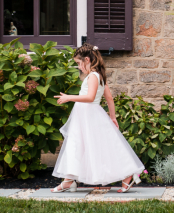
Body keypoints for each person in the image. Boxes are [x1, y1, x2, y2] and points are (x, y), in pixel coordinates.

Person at [52, 43, 145, 193]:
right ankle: (69, 180)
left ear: (87, 60)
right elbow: (109, 98)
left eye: (78, 63)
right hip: (85, 116)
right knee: (78, 145)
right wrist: (113, 117)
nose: (78, 66)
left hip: (89, 116)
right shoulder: (98, 75)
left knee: (95, 146)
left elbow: (90, 97)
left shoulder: (93, 76)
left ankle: (127, 174)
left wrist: (69, 97)